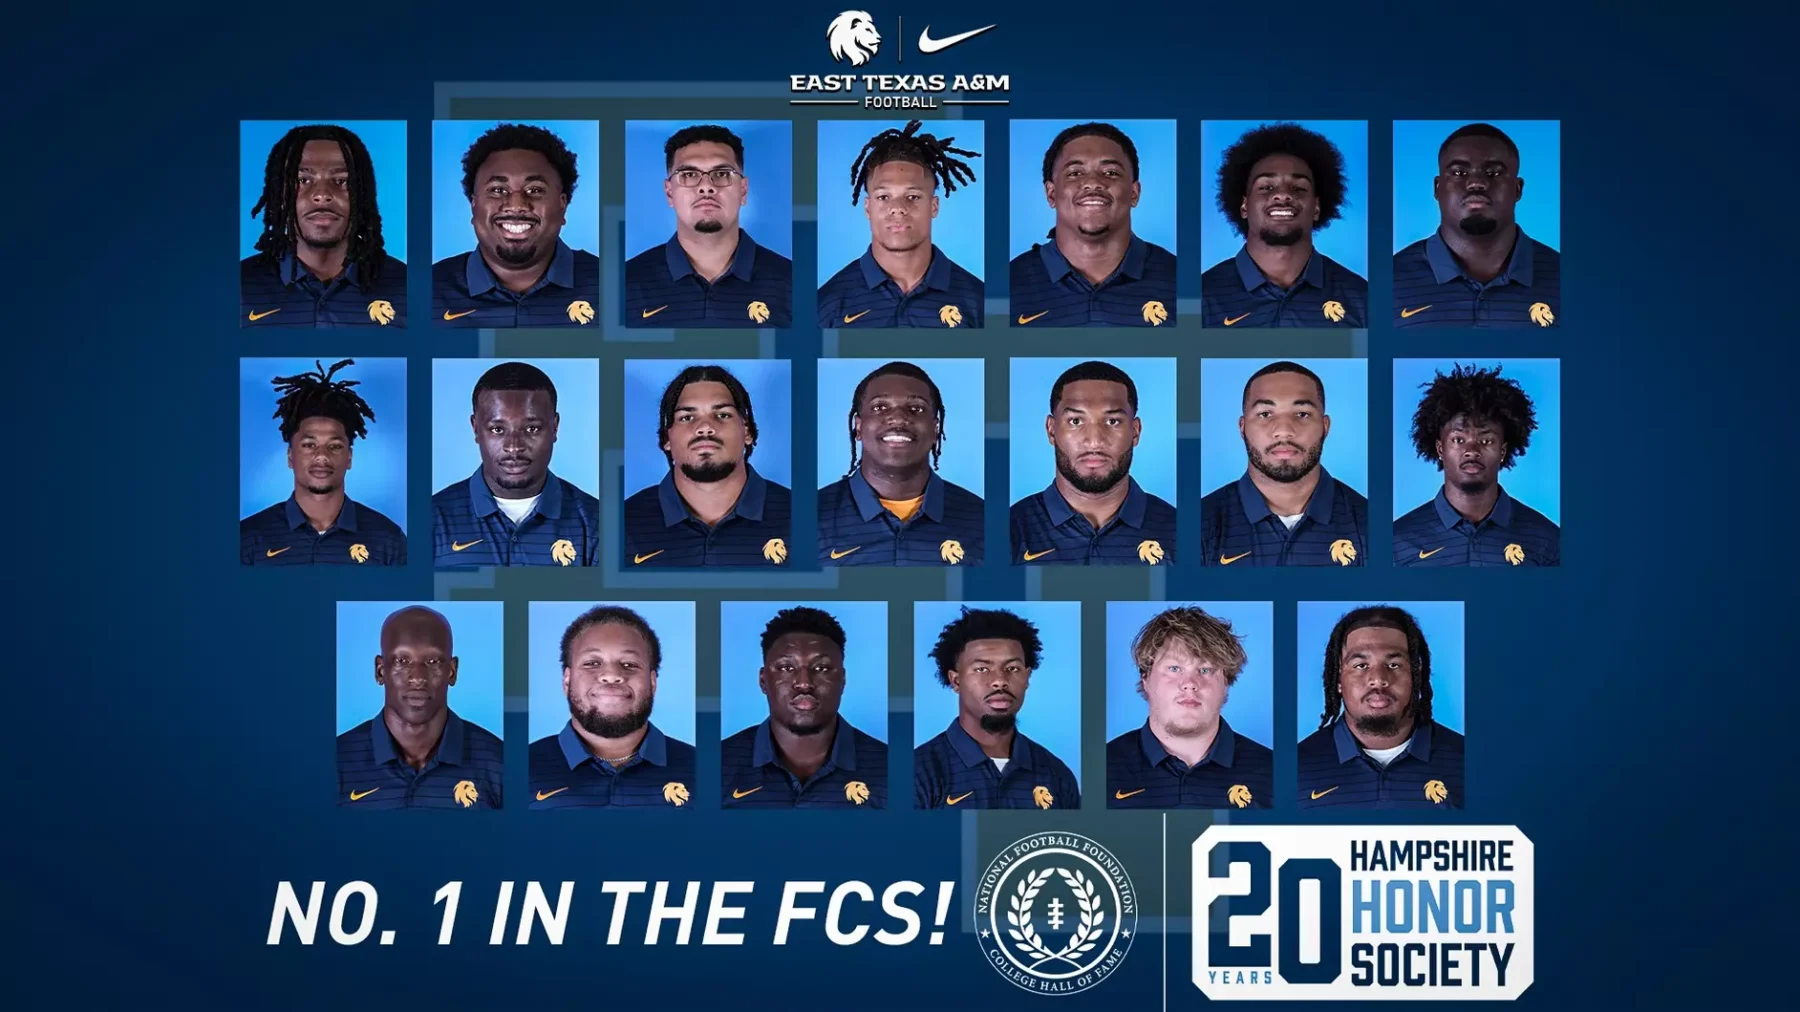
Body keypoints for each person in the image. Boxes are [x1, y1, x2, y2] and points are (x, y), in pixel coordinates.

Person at [817, 120, 984, 328]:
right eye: (884, 197)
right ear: (868, 208)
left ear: (934, 206)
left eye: (912, 196)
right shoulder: (826, 304)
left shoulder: (979, 301)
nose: (898, 207)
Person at [1009, 122, 1178, 327]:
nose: (1093, 183)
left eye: (1110, 172)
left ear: (1134, 193)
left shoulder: (1181, 282)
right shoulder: (1006, 285)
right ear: (1051, 194)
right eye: (1075, 173)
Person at [624, 124, 794, 327]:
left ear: (743, 190)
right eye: (689, 174)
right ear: (670, 193)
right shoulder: (623, 284)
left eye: (722, 174)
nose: (706, 187)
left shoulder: (795, 283)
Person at [431, 123, 600, 328]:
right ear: (474, 205)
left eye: (535, 190)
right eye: (498, 190)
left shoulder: (613, 285)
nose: (517, 205)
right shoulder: (425, 290)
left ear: (562, 205)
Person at [431, 362, 600, 567]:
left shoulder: (596, 522)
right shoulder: (431, 520)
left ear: (554, 427)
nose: (514, 447)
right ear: (476, 429)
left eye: (531, 429)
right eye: (497, 430)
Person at [1393, 123, 1560, 328]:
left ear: (1518, 189)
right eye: (1459, 173)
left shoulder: (1566, 279)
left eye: (1494, 173)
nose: (1476, 183)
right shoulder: (1387, 282)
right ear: (1437, 187)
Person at [623, 365, 793, 566]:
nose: (705, 428)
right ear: (666, 437)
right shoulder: (620, 523)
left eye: (722, 415)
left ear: (747, 432)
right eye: (687, 417)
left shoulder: (803, 515)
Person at [240, 359, 406, 566]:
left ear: (349, 458)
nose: (322, 456)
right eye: (309, 445)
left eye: (334, 446)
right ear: (290, 457)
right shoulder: (247, 537)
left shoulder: (388, 538)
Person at [1201, 361, 1367, 567]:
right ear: (1242, 428)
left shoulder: (1373, 525)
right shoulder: (1197, 525)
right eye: (1265, 414)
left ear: (1325, 427)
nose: (1284, 430)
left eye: (1302, 414)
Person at [528, 606, 697, 808]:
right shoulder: (514, 769)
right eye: (592, 663)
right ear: (567, 680)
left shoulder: (706, 769)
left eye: (629, 664)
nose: (611, 675)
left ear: (653, 682)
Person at [817, 361, 984, 566]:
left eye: (916, 408)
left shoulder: (984, 520)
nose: (898, 418)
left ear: (935, 429)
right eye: (880, 407)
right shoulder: (806, 517)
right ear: (858, 427)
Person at [1200, 122, 1366, 328]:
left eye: (1298, 188)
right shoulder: (1200, 296)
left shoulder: (1362, 299)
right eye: (1266, 186)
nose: (1283, 195)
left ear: (1316, 207)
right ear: (1244, 205)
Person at [1297, 606, 1464, 809]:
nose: (1378, 679)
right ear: (1339, 678)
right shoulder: (1292, 768)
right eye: (1361, 665)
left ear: (1416, 675)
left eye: (1394, 665)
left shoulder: (1470, 763)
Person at [1010, 361, 1176, 565]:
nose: (1095, 441)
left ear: (1135, 431)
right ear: (1051, 430)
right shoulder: (1008, 530)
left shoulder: (1182, 532)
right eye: (1076, 421)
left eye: (1112, 421)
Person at [241, 124, 407, 328]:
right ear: (281, 193)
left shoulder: (410, 287)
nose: (322, 195)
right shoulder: (236, 286)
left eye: (341, 181)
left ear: (362, 195)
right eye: (303, 179)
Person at [1106, 607, 1273, 809]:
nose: (1190, 683)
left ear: (1226, 683)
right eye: (1174, 668)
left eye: (1205, 670)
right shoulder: (1102, 768)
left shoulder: (1275, 773)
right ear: (1146, 679)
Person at [337, 606, 504, 809]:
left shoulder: (500, 764)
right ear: (381, 671)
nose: (417, 678)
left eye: (432, 661)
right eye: (402, 660)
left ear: (451, 672)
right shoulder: (336, 761)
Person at [1395, 363, 1561, 566]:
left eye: (1486, 440)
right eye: (1458, 439)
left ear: (1503, 451)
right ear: (1440, 449)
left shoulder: (1547, 540)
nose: (1472, 450)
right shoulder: (1397, 541)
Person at [721, 607, 888, 808]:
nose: (804, 683)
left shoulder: (894, 770)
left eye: (821, 668)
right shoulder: (714, 766)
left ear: (842, 680)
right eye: (786, 668)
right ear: (763, 681)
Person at [914, 607, 1079, 810]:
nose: (1000, 681)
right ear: (956, 681)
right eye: (982, 669)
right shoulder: (917, 772)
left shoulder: (1057, 776)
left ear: (1027, 678)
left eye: (1012, 669)